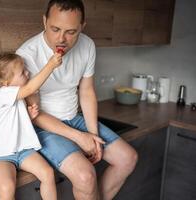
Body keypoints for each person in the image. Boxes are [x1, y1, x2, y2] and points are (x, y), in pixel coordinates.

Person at [16, 0, 138, 199]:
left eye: (71, 32)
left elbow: (86, 91)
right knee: (85, 176)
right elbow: (34, 114)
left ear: (82, 26)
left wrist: (92, 135)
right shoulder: (26, 56)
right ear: (44, 21)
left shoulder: (87, 45)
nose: (61, 39)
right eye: (55, 29)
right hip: (42, 127)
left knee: (127, 158)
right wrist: (80, 137)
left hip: (74, 117)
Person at [0, 50, 62, 200]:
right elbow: (30, 89)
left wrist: (28, 117)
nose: (27, 73)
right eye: (22, 72)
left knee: (48, 173)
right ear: (5, 83)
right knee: (7, 188)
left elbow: (12, 122)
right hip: (1, 155)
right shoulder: (1, 94)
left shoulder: (16, 95)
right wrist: (51, 65)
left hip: (23, 151)